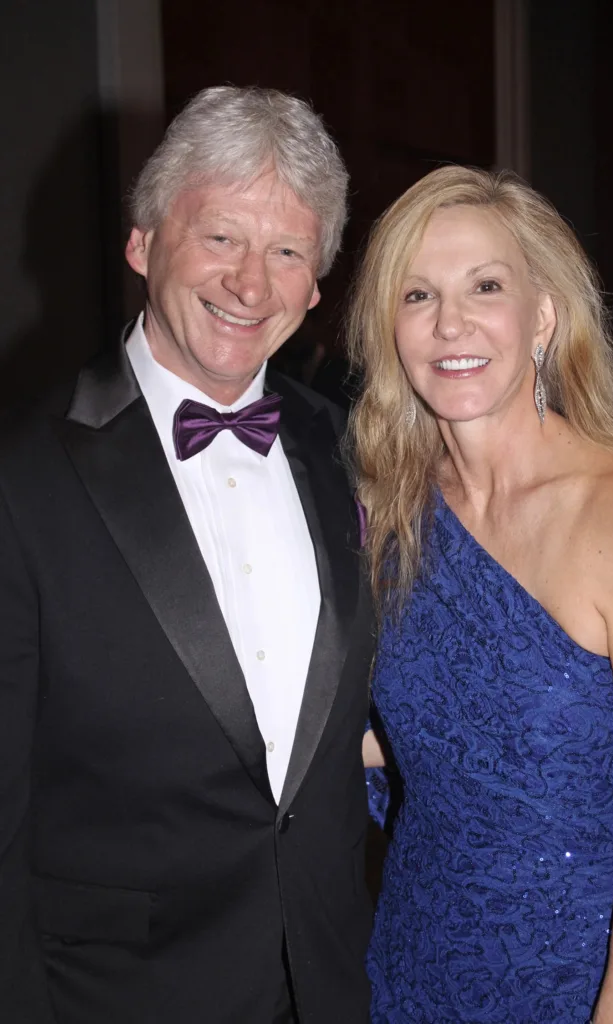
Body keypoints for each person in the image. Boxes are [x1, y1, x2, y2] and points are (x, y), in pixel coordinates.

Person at [0, 86, 375, 1024]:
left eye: (286, 252)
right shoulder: (21, 480)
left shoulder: (352, 454)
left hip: (329, 983)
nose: (250, 284)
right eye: (219, 237)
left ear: (315, 287)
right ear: (141, 244)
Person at [352, 165, 613, 1023]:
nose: (449, 322)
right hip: (405, 975)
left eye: (485, 287)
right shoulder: (389, 516)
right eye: (417, 295)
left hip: (576, 990)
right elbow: (419, 741)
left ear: (541, 316)